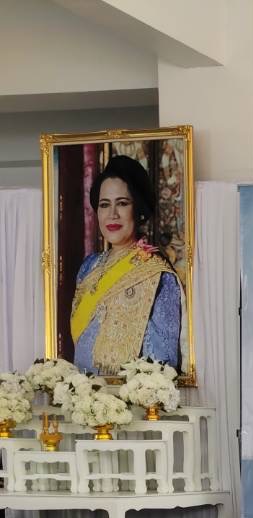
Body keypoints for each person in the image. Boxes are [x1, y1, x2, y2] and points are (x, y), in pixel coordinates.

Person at [69, 155, 182, 373]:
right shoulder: (88, 267)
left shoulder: (158, 275)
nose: (112, 214)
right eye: (104, 205)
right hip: (84, 390)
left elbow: (162, 366)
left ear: (138, 210)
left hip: (129, 392)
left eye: (122, 203)